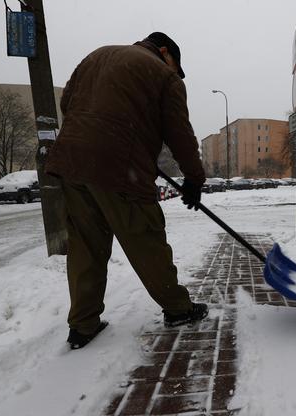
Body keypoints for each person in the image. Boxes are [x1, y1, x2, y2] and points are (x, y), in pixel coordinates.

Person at [46, 32, 208, 350]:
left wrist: (112, 138)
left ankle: (83, 325)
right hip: (119, 167)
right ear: (165, 52)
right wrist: (194, 179)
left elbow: (68, 103)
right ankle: (178, 309)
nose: (176, 71)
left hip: (72, 163)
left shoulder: (96, 55)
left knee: (85, 246)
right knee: (145, 237)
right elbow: (180, 133)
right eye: (176, 65)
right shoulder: (164, 75)